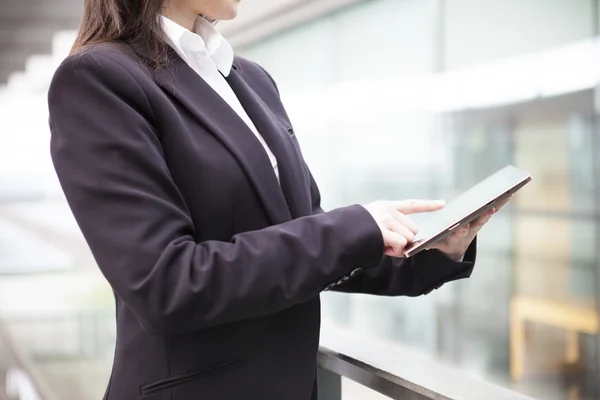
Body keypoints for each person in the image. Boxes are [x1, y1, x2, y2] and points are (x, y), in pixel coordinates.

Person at [48, 0, 499, 399]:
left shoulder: (251, 80)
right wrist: (355, 225)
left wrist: (431, 250)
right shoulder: (97, 79)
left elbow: (302, 235)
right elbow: (165, 283)